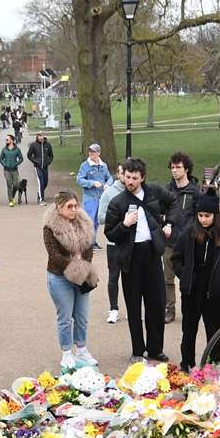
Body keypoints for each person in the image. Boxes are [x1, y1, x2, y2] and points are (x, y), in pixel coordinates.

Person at [103, 157, 176, 361]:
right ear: (122, 176)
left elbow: (173, 203)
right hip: (130, 259)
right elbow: (110, 234)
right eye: (127, 177)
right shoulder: (117, 202)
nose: (130, 182)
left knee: (156, 303)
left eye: (135, 178)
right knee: (134, 307)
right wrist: (125, 224)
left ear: (142, 177)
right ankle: (137, 350)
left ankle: (155, 349)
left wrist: (169, 223)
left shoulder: (155, 192)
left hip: (152, 254)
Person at [171, 192, 220, 372]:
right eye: (201, 215)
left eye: (208, 216)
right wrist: (185, 274)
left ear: (215, 215)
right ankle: (187, 363)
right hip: (191, 290)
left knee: (214, 330)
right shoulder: (189, 231)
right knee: (189, 330)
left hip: (215, 291)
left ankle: (212, 364)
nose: (203, 219)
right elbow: (175, 258)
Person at [41, 190, 98, 371]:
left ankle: (81, 349)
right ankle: (67, 352)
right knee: (65, 317)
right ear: (59, 208)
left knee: (81, 316)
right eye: (69, 206)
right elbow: (54, 255)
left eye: (76, 205)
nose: (74, 209)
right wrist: (76, 268)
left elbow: (89, 247)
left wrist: (84, 269)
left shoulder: (84, 222)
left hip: (82, 275)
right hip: (59, 276)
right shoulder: (50, 227)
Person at [162, 153, 202, 324]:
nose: (174, 170)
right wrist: (163, 223)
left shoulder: (195, 191)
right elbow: (159, 212)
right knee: (167, 279)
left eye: (178, 167)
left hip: (189, 243)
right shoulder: (167, 190)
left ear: (186, 169)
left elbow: (201, 217)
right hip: (169, 243)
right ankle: (169, 309)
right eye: (172, 167)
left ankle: (192, 308)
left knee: (190, 277)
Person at [97, 164, 127, 324]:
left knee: (133, 277)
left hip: (132, 242)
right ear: (117, 174)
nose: (127, 177)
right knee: (114, 276)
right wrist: (119, 218)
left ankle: (132, 308)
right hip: (114, 242)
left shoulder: (136, 191)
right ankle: (113, 309)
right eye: (123, 173)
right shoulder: (109, 193)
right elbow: (100, 217)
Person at [76, 143, 110, 242]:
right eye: (90, 151)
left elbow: (109, 177)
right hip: (90, 197)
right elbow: (79, 180)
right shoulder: (85, 165)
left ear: (99, 153)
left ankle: (93, 242)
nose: (91, 153)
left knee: (96, 222)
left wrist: (108, 184)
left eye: (93, 151)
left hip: (101, 198)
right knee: (88, 221)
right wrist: (92, 183)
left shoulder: (103, 165)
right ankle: (87, 244)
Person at [27, 134, 54, 202]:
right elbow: (29, 155)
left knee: (45, 182)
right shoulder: (34, 145)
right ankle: (41, 199)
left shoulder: (48, 145)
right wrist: (35, 161)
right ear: (37, 137)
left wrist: (48, 162)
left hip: (45, 167)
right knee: (41, 182)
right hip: (38, 167)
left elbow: (51, 155)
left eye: (41, 135)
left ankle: (39, 193)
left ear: (44, 136)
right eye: (39, 136)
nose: (40, 137)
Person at [0, 134, 23, 206]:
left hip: (14, 170)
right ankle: (11, 201)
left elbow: (21, 158)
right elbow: (0, 159)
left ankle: (12, 196)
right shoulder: (4, 149)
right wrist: (4, 164)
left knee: (16, 184)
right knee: (9, 185)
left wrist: (16, 164)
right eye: (6, 140)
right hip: (6, 170)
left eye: (7, 139)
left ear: (12, 140)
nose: (6, 141)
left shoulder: (17, 149)